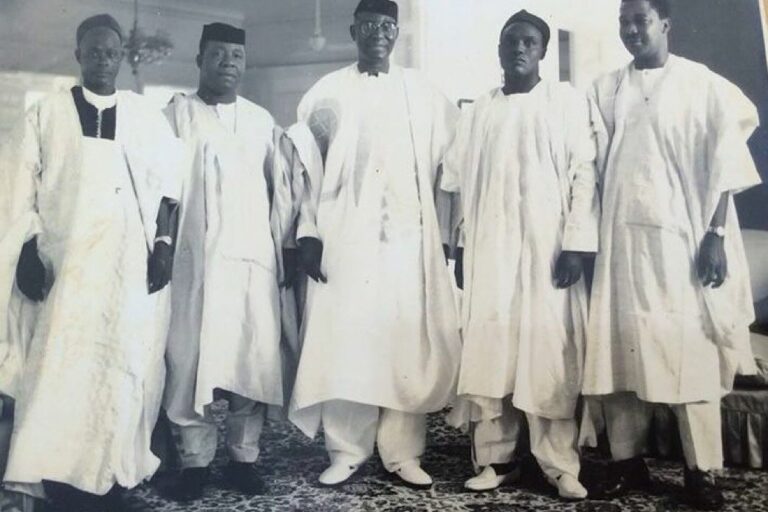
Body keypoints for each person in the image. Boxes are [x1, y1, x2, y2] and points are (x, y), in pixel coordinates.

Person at [581, 0, 762, 509]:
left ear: (664, 24)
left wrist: (716, 234)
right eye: (623, 22)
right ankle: (627, 462)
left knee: (691, 354)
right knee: (620, 357)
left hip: (682, 242)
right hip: (622, 241)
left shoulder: (701, 84)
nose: (631, 30)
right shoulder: (606, 88)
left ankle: (702, 472)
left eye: (640, 20)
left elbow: (726, 163)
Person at [0, 14, 181, 512]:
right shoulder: (46, 113)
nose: (104, 60)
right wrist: (27, 251)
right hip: (66, 267)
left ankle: (111, 474)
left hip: (126, 266)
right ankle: (55, 475)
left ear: (121, 57)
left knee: (121, 364)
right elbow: (17, 187)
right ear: (79, 54)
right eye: (95, 51)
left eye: (112, 52)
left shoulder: (144, 116)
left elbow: (169, 189)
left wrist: (163, 244)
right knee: (60, 367)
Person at [287, 0, 462, 489]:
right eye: (368, 26)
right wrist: (309, 233)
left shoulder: (424, 94)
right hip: (345, 240)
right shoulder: (326, 93)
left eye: (387, 26)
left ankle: (403, 453)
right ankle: (346, 450)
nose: (378, 34)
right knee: (347, 341)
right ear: (353, 31)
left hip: (407, 241)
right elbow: (306, 174)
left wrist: (445, 237)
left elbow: (453, 169)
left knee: (403, 343)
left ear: (397, 32)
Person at [442, 10, 599, 501]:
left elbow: (584, 175)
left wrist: (575, 245)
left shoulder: (565, 103)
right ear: (499, 49)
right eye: (511, 41)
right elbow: (458, 187)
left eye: (529, 41)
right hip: (490, 249)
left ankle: (559, 466)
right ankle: (496, 459)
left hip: (547, 250)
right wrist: (461, 249)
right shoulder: (477, 112)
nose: (519, 48)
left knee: (548, 353)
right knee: (493, 351)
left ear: (543, 51)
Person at [162, 22, 301, 501]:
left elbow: (281, 192)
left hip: (250, 261)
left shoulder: (261, 121)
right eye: (218, 54)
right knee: (188, 360)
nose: (228, 63)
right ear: (200, 59)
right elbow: (160, 187)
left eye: (236, 56)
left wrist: (285, 248)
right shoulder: (176, 116)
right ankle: (194, 462)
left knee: (250, 357)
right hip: (195, 263)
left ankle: (245, 458)